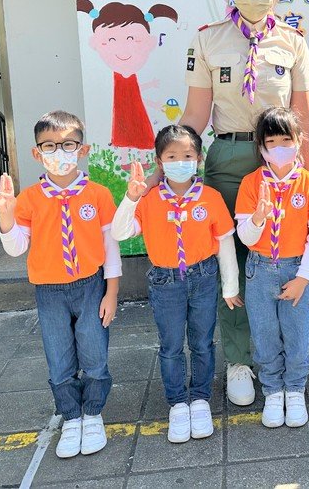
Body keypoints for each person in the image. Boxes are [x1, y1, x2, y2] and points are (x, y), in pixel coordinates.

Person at [179, 0, 309, 406]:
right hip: (230, 159)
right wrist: (170, 164)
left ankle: (279, 356)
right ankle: (239, 360)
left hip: (281, 160)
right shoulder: (208, 40)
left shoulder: (293, 43)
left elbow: (304, 117)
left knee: (283, 259)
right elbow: (195, 115)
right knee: (234, 262)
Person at [0, 111, 121, 458]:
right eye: (49, 146)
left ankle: (93, 414)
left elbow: (110, 246)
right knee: (59, 357)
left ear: (83, 149)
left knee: (94, 352)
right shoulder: (29, 198)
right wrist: (6, 216)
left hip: (91, 286)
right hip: (49, 292)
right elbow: (16, 247)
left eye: (68, 145)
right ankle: (71, 417)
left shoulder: (98, 194)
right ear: (37, 153)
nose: (59, 153)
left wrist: (111, 292)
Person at [111, 125, 241, 443]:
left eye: (187, 155)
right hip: (164, 281)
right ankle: (178, 403)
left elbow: (225, 242)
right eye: (171, 156)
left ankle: (200, 399)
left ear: (199, 159)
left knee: (202, 342)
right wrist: (131, 198)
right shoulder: (150, 199)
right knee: (170, 346)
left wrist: (230, 286)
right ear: (160, 161)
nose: (180, 162)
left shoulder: (210, 198)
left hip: (204, 277)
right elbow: (119, 232)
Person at [235, 107, 309, 428]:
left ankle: (295, 388)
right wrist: (258, 218)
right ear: (261, 147)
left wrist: (303, 278)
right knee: (265, 335)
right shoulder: (251, 184)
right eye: (270, 141)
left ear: (299, 140)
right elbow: (246, 237)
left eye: (285, 140)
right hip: (260, 269)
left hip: (297, 269)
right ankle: (273, 390)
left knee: (298, 334)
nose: (278, 148)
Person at [77, 0, 178, 170]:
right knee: (122, 134)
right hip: (121, 110)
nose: (122, 47)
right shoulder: (116, 77)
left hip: (136, 109)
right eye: (111, 39)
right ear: (95, 43)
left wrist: (152, 91)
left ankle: (143, 160)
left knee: (141, 132)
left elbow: (137, 91)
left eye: (131, 38)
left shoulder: (131, 76)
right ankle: (124, 161)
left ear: (149, 42)